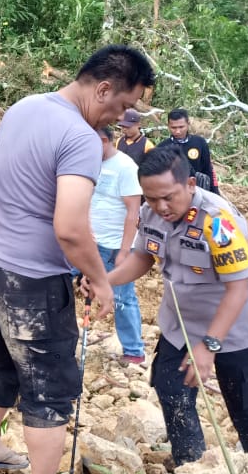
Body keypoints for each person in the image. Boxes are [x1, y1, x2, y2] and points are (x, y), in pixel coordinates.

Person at [0, 45, 155, 473]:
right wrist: (101, 279)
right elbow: (70, 227)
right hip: (30, 280)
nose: (119, 119)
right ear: (103, 89)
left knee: (1, 364)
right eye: (122, 106)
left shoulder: (24, 107)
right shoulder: (80, 137)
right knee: (48, 388)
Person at [101, 147, 248, 467]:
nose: (161, 207)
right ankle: (190, 464)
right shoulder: (150, 212)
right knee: (170, 389)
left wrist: (209, 346)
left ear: (190, 184)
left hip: (232, 328)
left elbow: (238, 289)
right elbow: (143, 256)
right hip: (180, 323)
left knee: (243, 405)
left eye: (168, 197)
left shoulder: (218, 221)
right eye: (152, 198)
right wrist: (105, 281)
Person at [90, 127, 145, 364]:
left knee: (123, 297)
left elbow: (133, 211)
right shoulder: (90, 162)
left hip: (116, 245)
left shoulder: (125, 167)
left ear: (104, 141)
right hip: (91, 242)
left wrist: (124, 251)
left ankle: (134, 351)